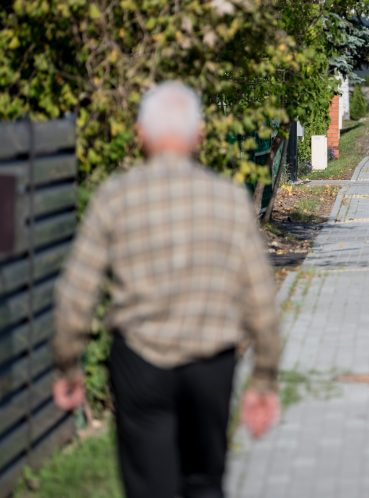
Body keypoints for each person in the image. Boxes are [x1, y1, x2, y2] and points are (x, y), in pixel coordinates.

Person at [51, 81, 281, 498]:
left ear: (140, 134)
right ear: (199, 136)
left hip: (140, 363)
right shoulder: (228, 199)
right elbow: (260, 298)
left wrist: (69, 365)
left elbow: (76, 294)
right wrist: (263, 379)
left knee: (149, 487)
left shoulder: (115, 197)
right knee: (204, 483)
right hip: (211, 364)